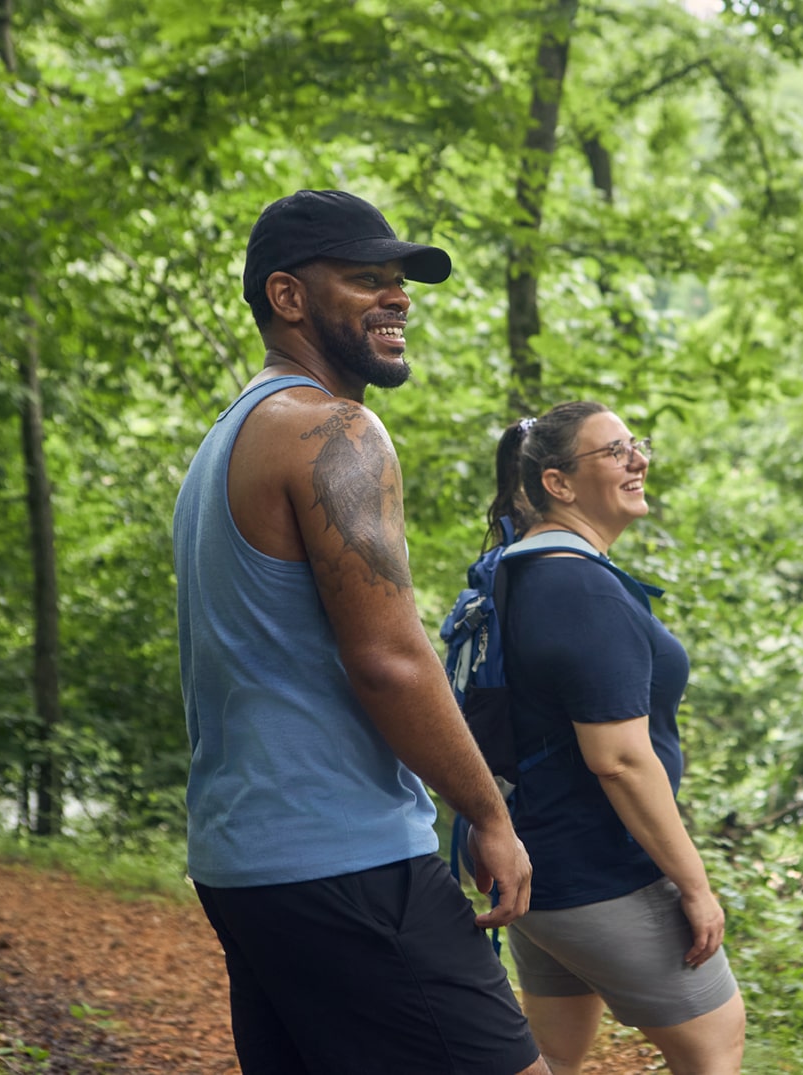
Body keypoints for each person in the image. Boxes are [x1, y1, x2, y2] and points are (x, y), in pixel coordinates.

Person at [172, 188, 550, 1075]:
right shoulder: (333, 430)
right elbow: (387, 658)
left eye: (399, 280)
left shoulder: (225, 440)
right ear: (287, 297)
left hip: (240, 860)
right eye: (364, 279)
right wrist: (488, 813)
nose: (398, 297)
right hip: (343, 860)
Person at [478, 401, 746, 1075]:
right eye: (615, 451)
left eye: (637, 445)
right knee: (715, 1050)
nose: (638, 460)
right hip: (602, 873)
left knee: (554, 1057)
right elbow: (622, 761)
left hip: (539, 867)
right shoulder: (581, 590)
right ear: (558, 484)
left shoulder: (522, 570)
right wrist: (694, 883)